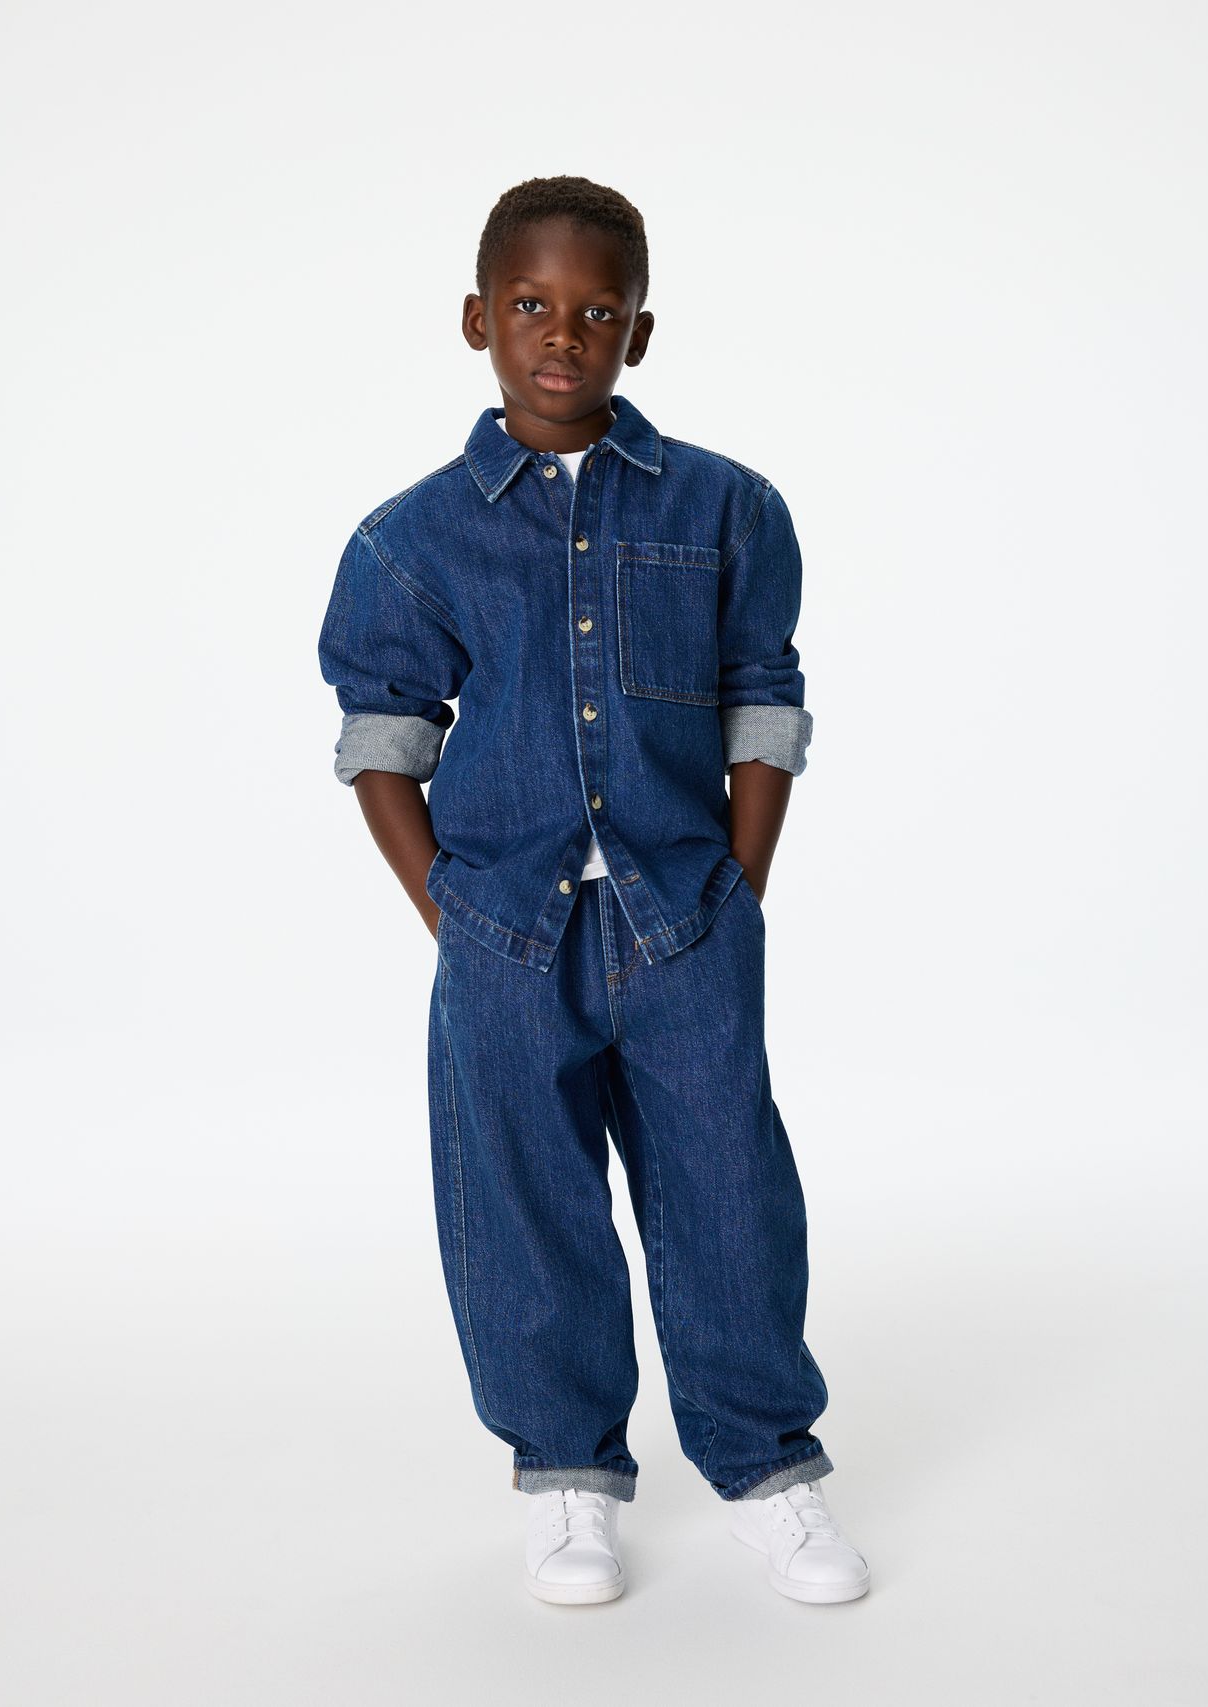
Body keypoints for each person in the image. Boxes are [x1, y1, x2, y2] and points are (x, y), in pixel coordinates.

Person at [317, 175, 870, 1606]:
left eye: (597, 311)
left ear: (639, 330)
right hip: (504, 929)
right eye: (530, 307)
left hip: (684, 919)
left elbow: (763, 693)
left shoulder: (728, 505)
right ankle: (566, 1476)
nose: (563, 336)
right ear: (477, 319)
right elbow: (382, 733)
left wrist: (737, 885)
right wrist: (447, 906)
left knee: (730, 1189)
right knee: (520, 1197)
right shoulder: (409, 539)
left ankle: (768, 1469)